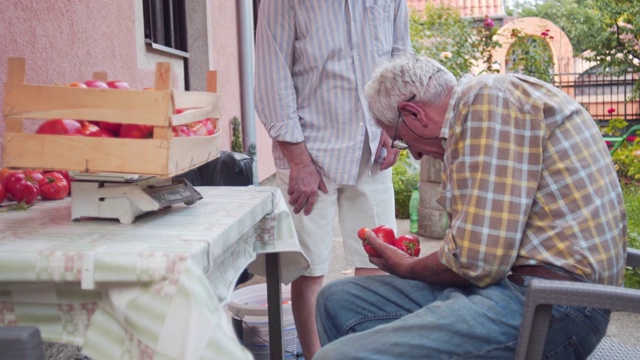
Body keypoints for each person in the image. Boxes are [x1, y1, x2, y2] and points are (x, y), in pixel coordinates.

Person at [314, 54, 628, 359]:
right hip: (507, 286)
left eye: (400, 141)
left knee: (338, 356)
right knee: (337, 299)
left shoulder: (487, 100)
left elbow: (475, 263)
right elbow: (475, 255)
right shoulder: (477, 114)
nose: (414, 155)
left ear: (414, 114)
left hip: (554, 307)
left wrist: (406, 266)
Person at [254, 1, 411, 358]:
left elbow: (402, 62)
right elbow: (271, 74)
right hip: (310, 154)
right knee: (309, 269)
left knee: (378, 261)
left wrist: (394, 128)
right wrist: (298, 159)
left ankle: (365, 352)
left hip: (372, 149)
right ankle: (315, 356)